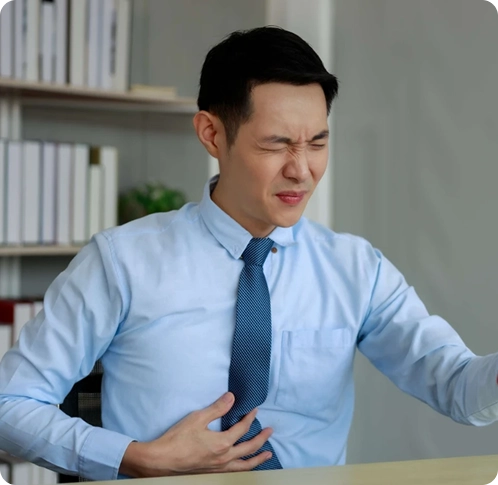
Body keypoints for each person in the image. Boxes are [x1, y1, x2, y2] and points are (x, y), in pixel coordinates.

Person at [1, 25, 498, 482]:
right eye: (276, 145)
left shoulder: (356, 270)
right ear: (212, 134)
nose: (301, 170)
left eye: (317, 143)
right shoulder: (122, 262)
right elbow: (10, 403)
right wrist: (134, 456)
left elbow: (458, 387)